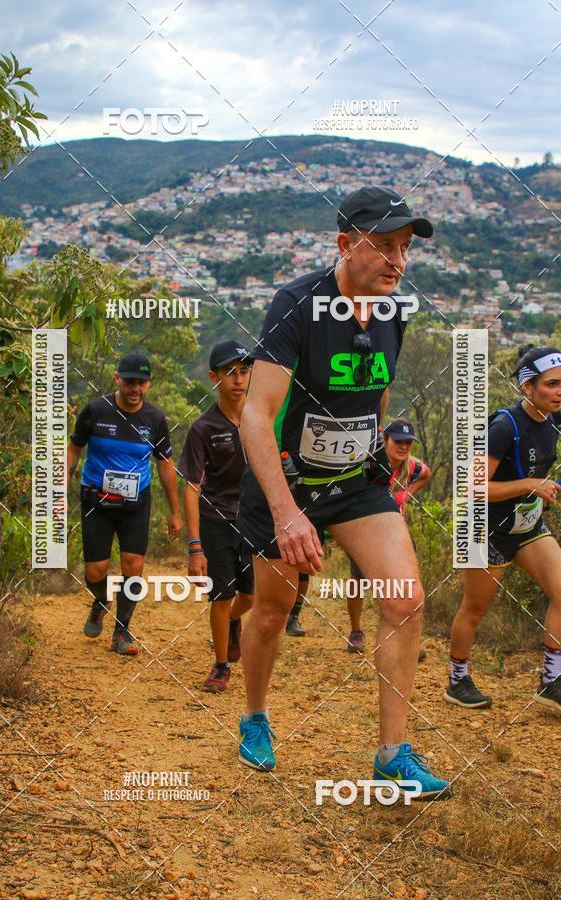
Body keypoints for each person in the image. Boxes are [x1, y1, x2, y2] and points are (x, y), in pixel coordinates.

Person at [237, 186, 451, 800]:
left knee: (405, 600)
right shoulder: (297, 305)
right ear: (344, 244)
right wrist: (286, 513)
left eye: (404, 248)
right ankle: (255, 716)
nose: (397, 261)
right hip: (289, 482)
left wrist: (378, 449)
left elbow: (377, 391)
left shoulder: (392, 312)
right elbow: (256, 414)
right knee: (273, 612)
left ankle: (392, 755)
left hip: (356, 482)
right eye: (383, 246)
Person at [445, 344, 561, 710]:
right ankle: (457, 680)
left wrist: (542, 487)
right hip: (482, 527)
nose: (559, 392)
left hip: (525, 526)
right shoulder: (503, 427)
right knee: (475, 608)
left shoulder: (554, 419)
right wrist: (530, 485)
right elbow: (473, 487)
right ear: (528, 387)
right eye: (551, 384)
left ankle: (551, 681)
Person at [67, 351, 182, 656]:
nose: (135, 389)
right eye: (130, 382)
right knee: (96, 570)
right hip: (97, 500)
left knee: (134, 565)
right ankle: (102, 598)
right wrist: (61, 483)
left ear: (149, 384)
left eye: (141, 383)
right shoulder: (96, 410)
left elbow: (165, 464)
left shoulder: (155, 419)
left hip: (135, 502)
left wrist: (175, 511)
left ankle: (122, 631)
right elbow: (74, 447)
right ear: (117, 379)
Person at [179, 341, 254, 692]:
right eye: (229, 372)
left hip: (252, 519)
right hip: (215, 518)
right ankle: (221, 666)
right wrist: (195, 547)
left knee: (250, 596)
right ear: (214, 377)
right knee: (221, 596)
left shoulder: (261, 418)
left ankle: (233, 622)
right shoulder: (203, 428)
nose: (238, 379)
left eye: (244, 371)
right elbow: (191, 487)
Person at [347, 419, 431, 654]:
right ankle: (355, 632)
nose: (403, 447)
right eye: (398, 441)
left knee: (407, 583)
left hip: (397, 532)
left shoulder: (412, 468)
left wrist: (408, 492)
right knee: (358, 582)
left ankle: (406, 637)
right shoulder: (369, 464)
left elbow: (427, 474)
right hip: (365, 530)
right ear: (385, 441)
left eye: (408, 443)